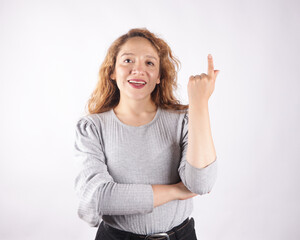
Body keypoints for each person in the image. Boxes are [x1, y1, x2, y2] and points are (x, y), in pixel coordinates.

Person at [74, 27, 220, 240]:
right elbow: (97, 199)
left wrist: (199, 104)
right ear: (112, 71)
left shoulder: (183, 120)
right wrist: (176, 191)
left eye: (149, 63)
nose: (138, 70)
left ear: (160, 76)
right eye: (128, 61)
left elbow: (201, 184)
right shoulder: (92, 127)